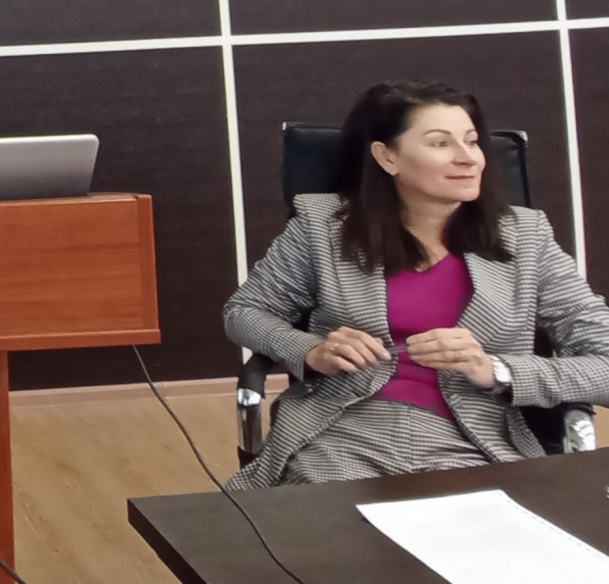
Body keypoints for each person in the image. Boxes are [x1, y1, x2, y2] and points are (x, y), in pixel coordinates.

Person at [224, 80, 609, 488]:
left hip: (473, 436)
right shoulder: (323, 225)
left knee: (477, 523)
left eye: (472, 141)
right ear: (387, 156)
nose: (468, 158)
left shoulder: (525, 236)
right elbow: (245, 312)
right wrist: (310, 350)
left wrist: (497, 369)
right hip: (344, 426)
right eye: (441, 143)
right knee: (335, 521)